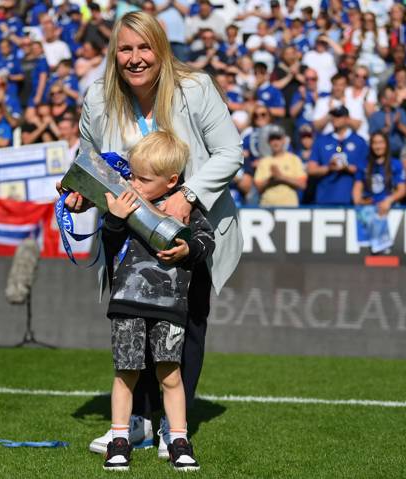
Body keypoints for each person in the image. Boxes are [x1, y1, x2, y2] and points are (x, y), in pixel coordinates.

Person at [68, 11, 242, 458]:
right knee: (132, 320)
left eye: (144, 48)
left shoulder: (196, 88)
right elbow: (91, 162)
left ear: (161, 50)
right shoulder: (97, 97)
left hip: (190, 225)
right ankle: (138, 421)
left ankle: (171, 425)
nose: (135, 58)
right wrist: (80, 193)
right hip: (125, 233)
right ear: (114, 53)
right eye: (125, 49)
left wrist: (188, 194)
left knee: (185, 323)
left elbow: (231, 152)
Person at [100, 131, 210, 472]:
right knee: (125, 372)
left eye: (144, 179)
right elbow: (109, 239)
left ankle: (178, 438)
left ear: (172, 181)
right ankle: (120, 439)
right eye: (132, 174)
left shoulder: (185, 207)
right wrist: (115, 218)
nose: (134, 182)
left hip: (170, 307)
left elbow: (206, 240)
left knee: (170, 374)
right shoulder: (124, 200)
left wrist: (187, 248)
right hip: (127, 303)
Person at [307, 105, 368, 205]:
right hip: (324, 199)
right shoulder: (322, 140)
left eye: (339, 116)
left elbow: (366, 170)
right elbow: (311, 169)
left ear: (347, 119)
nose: (335, 119)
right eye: (333, 116)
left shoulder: (359, 142)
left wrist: (346, 167)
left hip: (350, 199)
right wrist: (328, 168)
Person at [352, 132, 406, 215]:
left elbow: (402, 190)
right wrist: (361, 202)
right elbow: (357, 190)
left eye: (381, 143)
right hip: (368, 211)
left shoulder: (396, 164)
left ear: (386, 144)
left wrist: (388, 200)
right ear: (370, 145)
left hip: (391, 209)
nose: (378, 147)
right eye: (375, 143)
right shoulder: (363, 164)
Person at [253, 124, 307, 207]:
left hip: (290, 207)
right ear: (268, 141)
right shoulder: (264, 162)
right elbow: (258, 188)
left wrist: (281, 177)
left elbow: (302, 184)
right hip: (267, 207)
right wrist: (271, 179)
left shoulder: (294, 159)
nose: (275, 142)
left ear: (284, 140)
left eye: (278, 138)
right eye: (272, 139)